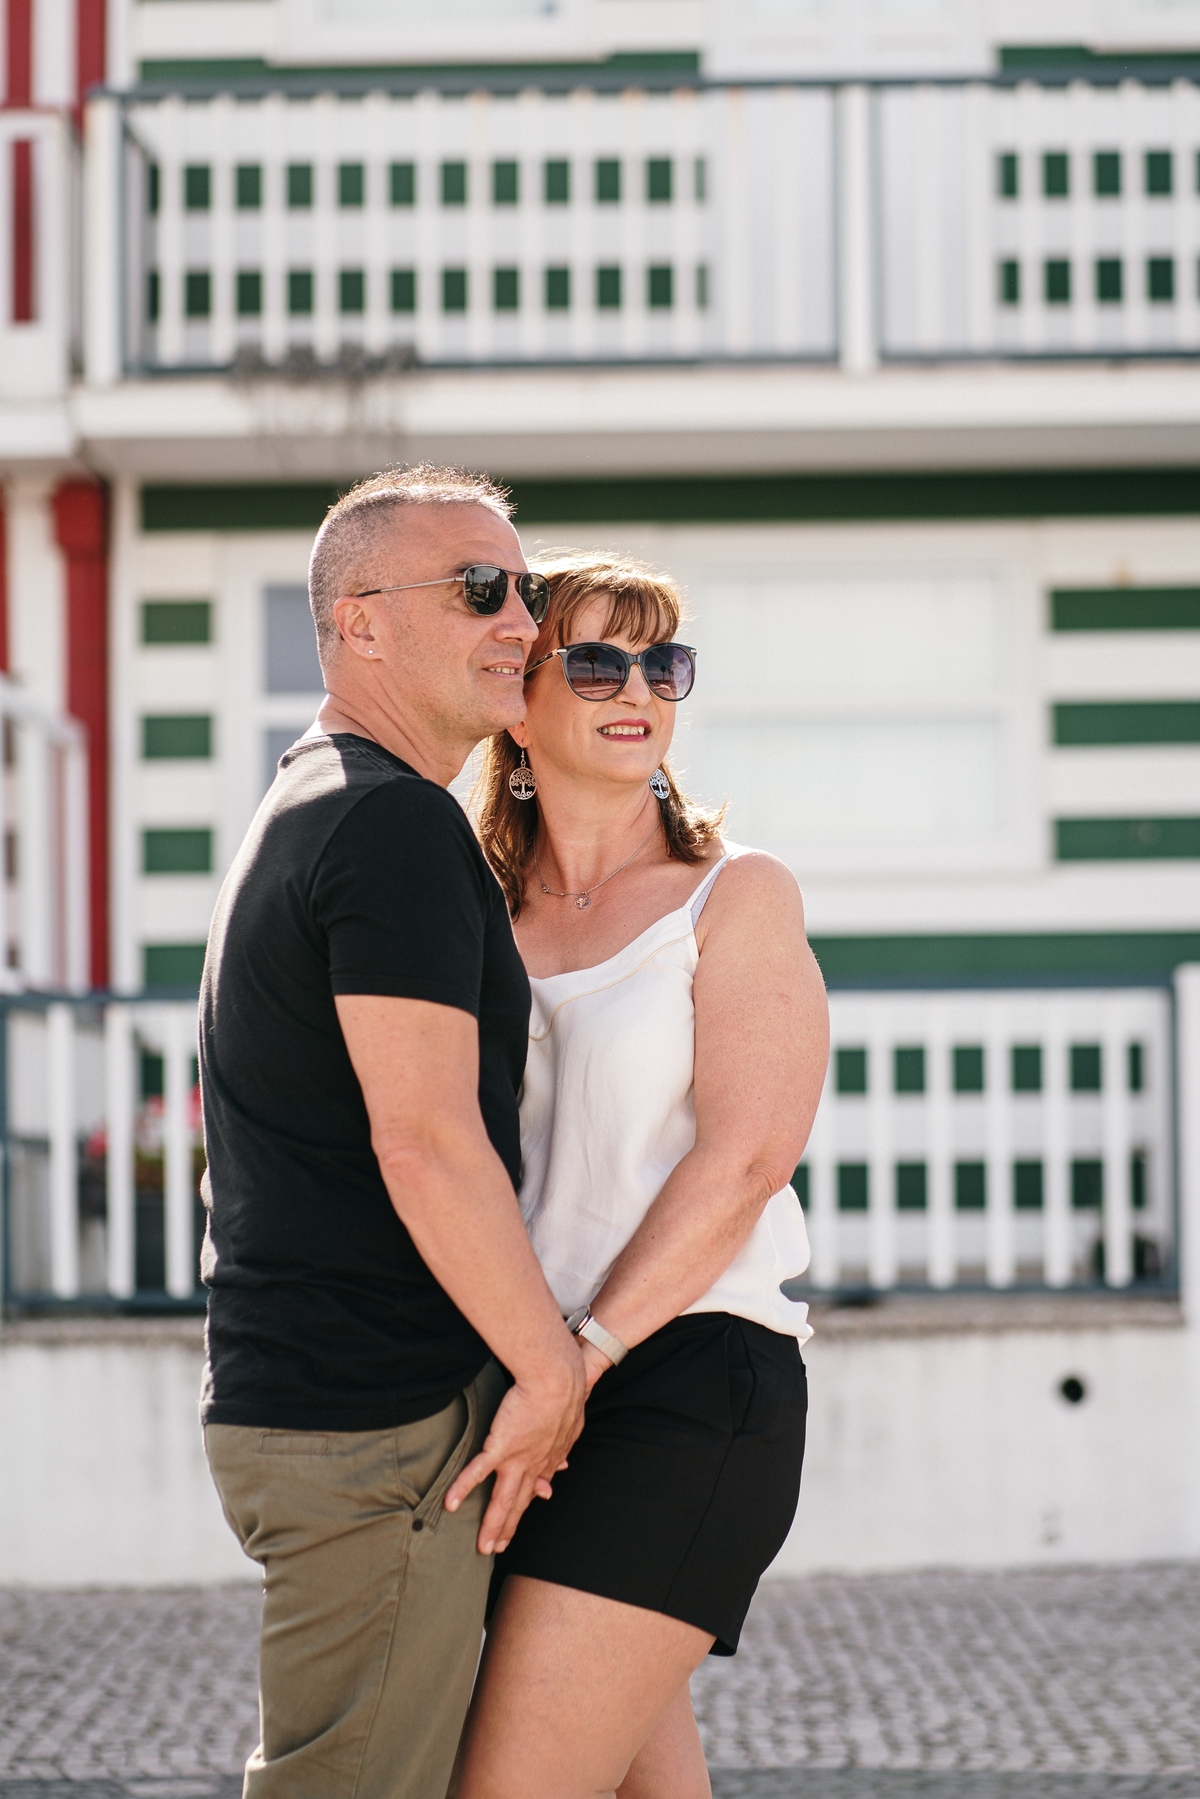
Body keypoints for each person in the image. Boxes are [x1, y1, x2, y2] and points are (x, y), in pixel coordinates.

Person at [198, 466, 586, 1799]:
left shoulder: (319, 801)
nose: (522, 621)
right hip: (380, 1423)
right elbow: (422, 1140)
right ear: (359, 621)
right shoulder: (389, 821)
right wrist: (552, 1373)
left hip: (331, 1407)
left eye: (524, 589)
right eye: (480, 587)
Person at [455, 552, 830, 1799]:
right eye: (599, 660)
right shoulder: (472, 917)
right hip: (527, 1384)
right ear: (518, 700)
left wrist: (588, 1355)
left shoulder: (734, 894)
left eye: (662, 662)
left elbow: (747, 1158)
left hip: (683, 1374)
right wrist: (540, 1367)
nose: (639, 689)